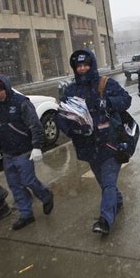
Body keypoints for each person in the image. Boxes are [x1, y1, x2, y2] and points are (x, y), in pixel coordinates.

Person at [57, 49, 132, 235]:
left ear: (92, 65)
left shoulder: (105, 83)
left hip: (109, 143)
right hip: (87, 146)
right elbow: (62, 116)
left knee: (107, 182)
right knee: (104, 182)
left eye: (86, 65)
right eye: (79, 66)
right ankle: (117, 200)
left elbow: (126, 100)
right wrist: (73, 130)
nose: (82, 69)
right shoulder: (71, 90)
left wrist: (107, 102)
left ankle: (105, 220)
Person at [0, 75, 54, 231]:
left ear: (7, 88)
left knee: (28, 180)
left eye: (1, 90)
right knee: (15, 185)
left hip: (24, 150)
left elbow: (35, 125)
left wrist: (37, 146)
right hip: (7, 152)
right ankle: (26, 214)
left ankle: (45, 195)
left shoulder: (21, 102)